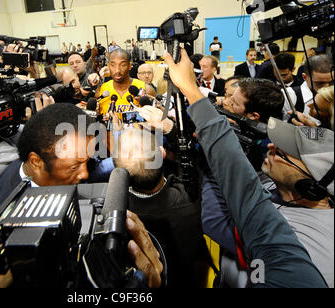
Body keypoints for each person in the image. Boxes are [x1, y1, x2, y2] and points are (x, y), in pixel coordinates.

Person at [164, 47, 328, 288]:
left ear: (312, 186)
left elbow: (233, 192)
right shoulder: (277, 185)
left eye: (287, 153)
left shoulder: (295, 244)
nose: (274, 147)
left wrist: (210, 161)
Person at [113, 125, 202, 288]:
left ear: (118, 173)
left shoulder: (117, 218)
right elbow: (192, 165)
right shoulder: (190, 200)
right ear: (162, 153)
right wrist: (171, 129)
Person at [96, 49, 156, 119]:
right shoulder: (101, 91)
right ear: (108, 66)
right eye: (113, 65)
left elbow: (158, 125)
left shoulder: (147, 89)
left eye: (123, 65)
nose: (117, 70)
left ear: (129, 66)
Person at [282, 54, 334, 122]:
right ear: (305, 77)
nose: (326, 87)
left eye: (331, 82)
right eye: (320, 83)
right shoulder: (289, 96)